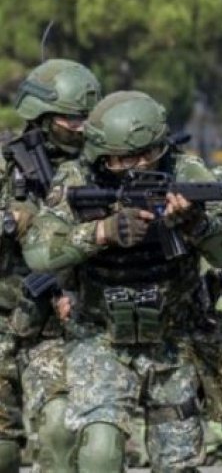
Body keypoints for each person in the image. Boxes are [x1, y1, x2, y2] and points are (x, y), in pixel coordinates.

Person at [22, 91, 222, 472]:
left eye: (149, 155)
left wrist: (196, 224)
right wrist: (103, 232)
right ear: (102, 156)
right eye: (125, 159)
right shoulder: (76, 178)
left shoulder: (188, 173)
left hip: (174, 340)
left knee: (178, 464)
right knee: (100, 451)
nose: (139, 166)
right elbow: (39, 252)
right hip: (100, 337)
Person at [0, 59, 101, 473]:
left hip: (64, 326)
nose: (79, 127)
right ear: (40, 116)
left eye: (85, 119)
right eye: (70, 119)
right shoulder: (9, 163)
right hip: (6, 315)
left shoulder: (99, 167)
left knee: (61, 433)